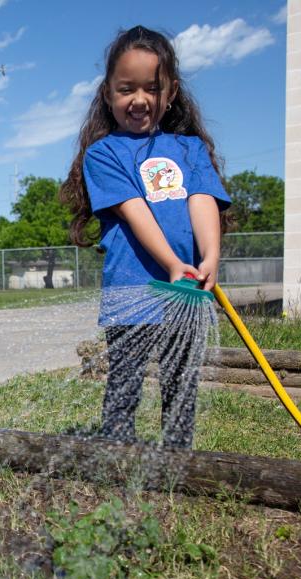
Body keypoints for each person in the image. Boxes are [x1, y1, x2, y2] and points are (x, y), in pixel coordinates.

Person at [60, 25, 231, 449]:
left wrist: (209, 256)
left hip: (186, 290)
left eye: (152, 89)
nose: (139, 100)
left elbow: (202, 200)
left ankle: (175, 460)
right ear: (108, 93)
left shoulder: (189, 149)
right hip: (131, 288)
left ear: (170, 92)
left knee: (180, 382)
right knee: (125, 381)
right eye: (126, 89)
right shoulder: (104, 153)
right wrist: (172, 263)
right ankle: (117, 456)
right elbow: (135, 212)